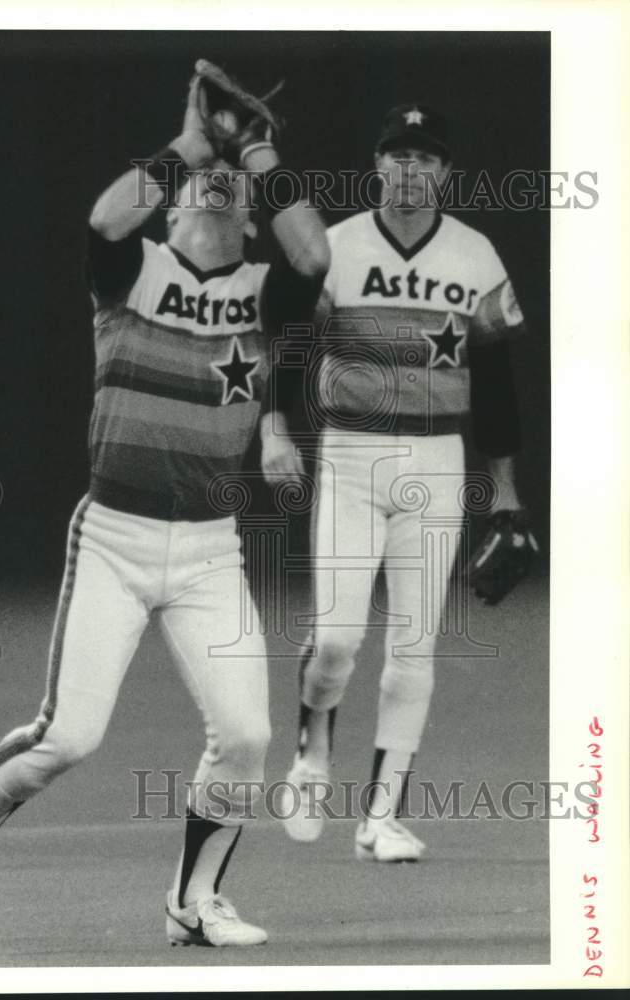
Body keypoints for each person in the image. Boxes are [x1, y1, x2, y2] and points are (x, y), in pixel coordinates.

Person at [0, 69, 328, 947]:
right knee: (68, 738)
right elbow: (103, 216)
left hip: (210, 549)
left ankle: (191, 903)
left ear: (250, 213)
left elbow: (315, 255)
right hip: (117, 538)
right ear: (169, 211)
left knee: (247, 735)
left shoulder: (264, 290)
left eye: (233, 190)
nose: (212, 192)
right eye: (191, 189)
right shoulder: (130, 269)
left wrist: (256, 153)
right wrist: (192, 146)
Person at [280, 103, 529, 860]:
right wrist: (271, 429)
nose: (411, 170)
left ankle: (380, 817)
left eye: (426, 158)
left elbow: (495, 384)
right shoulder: (337, 246)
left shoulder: (475, 254)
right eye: (398, 155)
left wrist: (508, 493)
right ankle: (310, 749)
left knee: (414, 645)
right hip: (351, 454)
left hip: (436, 460)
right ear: (376, 165)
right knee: (335, 639)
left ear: (445, 172)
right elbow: (289, 347)